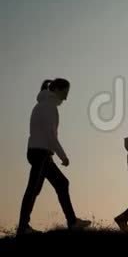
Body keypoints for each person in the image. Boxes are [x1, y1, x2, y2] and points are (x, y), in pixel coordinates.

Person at [17, 79, 91, 235]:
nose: (66, 98)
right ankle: (23, 227)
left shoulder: (43, 105)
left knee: (61, 184)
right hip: (40, 152)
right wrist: (63, 156)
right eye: (65, 93)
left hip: (40, 153)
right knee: (33, 189)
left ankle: (72, 222)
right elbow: (50, 135)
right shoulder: (48, 107)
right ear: (57, 89)